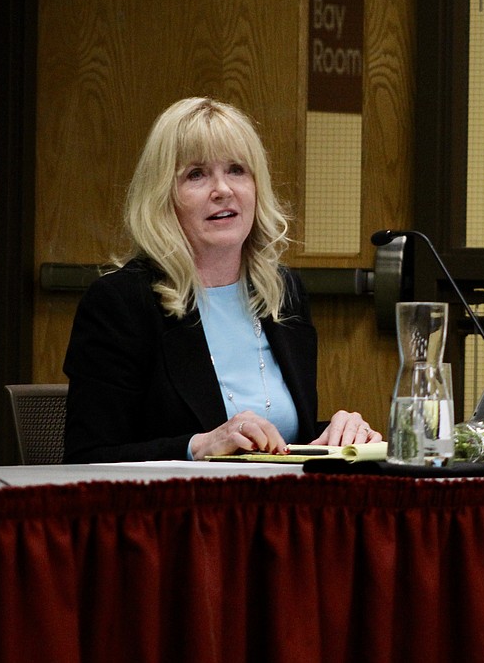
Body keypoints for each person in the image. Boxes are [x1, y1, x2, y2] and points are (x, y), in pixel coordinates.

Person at [62, 96, 382, 463]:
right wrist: (196, 446)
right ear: (163, 196)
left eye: (236, 170)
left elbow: (279, 441)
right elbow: (88, 456)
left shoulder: (281, 292)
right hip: (176, 514)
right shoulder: (121, 303)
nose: (223, 190)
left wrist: (338, 433)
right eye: (196, 175)